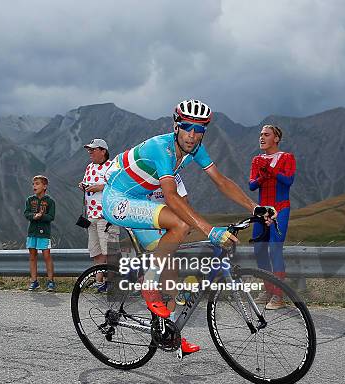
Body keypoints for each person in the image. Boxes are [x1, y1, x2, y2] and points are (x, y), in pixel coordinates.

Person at [102, 99, 276, 355]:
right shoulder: (162, 148)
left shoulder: (194, 150)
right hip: (117, 199)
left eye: (199, 130)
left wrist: (254, 208)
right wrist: (210, 230)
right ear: (176, 126)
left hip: (142, 200)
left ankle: (168, 332)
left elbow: (221, 181)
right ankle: (148, 285)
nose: (192, 136)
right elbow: (171, 197)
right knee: (179, 225)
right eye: (187, 127)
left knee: (169, 262)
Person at [249, 125, 296, 310]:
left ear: (276, 138)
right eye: (260, 134)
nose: (262, 137)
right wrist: (261, 177)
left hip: (280, 208)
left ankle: (278, 296)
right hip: (262, 210)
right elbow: (252, 186)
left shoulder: (287, 157)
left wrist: (270, 170)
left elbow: (289, 180)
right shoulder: (256, 160)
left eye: (266, 135)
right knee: (259, 250)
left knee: (275, 249)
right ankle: (267, 290)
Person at [79, 138, 119, 292]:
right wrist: (83, 186)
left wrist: (99, 187)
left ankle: (113, 282)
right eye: (89, 150)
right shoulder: (89, 167)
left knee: (109, 250)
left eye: (93, 149)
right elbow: (87, 183)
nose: (90, 152)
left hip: (106, 215)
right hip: (91, 215)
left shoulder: (112, 166)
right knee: (96, 250)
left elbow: (116, 185)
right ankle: (99, 281)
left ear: (103, 151)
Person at [24, 175, 56, 291]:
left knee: (47, 256)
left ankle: (51, 281)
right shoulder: (30, 200)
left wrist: (41, 216)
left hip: (44, 233)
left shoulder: (50, 201)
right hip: (32, 232)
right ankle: (34, 281)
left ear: (45, 186)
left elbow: (51, 217)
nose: (34, 186)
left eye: (37, 183)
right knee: (32, 256)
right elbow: (26, 214)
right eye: (33, 184)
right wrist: (34, 216)